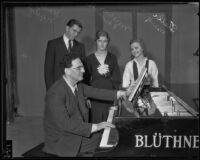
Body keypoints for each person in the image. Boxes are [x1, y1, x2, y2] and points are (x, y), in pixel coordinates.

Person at [43, 53, 127, 157]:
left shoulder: (79, 86)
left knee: (114, 136)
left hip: (76, 134)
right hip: (64, 142)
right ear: (67, 71)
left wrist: (121, 93)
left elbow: (98, 92)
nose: (83, 70)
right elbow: (65, 124)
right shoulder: (55, 93)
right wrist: (96, 126)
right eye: (79, 68)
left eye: (82, 67)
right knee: (111, 142)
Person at [85, 30, 121, 123]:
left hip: (109, 95)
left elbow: (117, 79)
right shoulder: (89, 59)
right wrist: (87, 97)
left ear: (108, 42)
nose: (102, 44)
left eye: (104, 41)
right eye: (99, 41)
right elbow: (86, 80)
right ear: (96, 41)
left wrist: (115, 96)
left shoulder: (112, 58)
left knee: (109, 124)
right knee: (95, 123)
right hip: (94, 96)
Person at [44, 19, 86, 90]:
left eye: (78, 32)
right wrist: (50, 91)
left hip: (75, 89)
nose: (76, 34)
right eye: (74, 31)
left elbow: (83, 70)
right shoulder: (53, 44)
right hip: (57, 88)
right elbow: (48, 70)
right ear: (67, 28)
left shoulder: (81, 47)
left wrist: (83, 92)